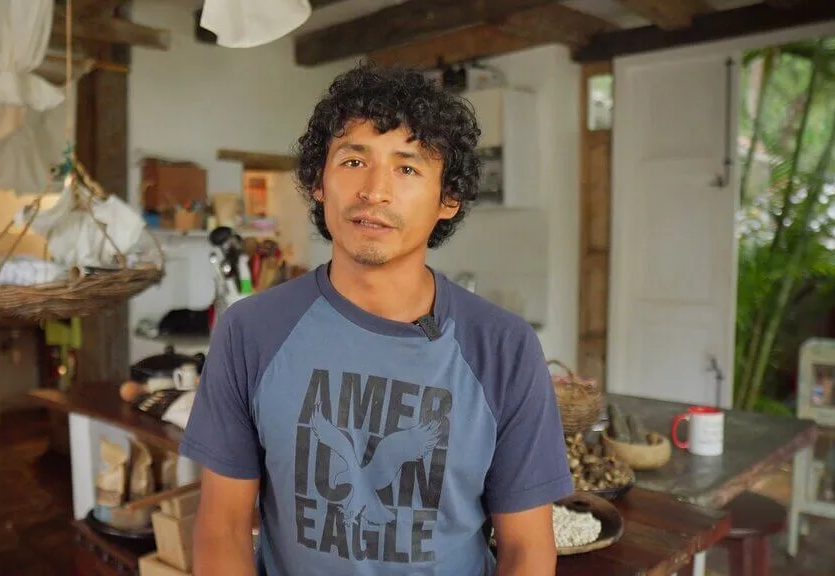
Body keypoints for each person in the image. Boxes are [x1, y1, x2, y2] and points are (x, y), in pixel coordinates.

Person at [180, 62, 574, 576]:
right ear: (319, 182)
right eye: (352, 161)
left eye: (407, 168)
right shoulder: (250, 331)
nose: (374, 191)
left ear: (447, 200)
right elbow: (223, 528)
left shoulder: (504, 347)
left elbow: (525, 548)